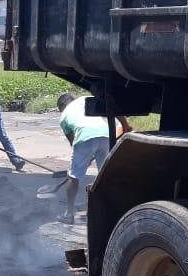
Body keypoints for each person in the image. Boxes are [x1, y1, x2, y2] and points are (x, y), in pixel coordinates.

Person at [56, 93, 132, 223]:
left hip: (84, 138)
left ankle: (68, 214)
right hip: (105, 135)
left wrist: (84, 158)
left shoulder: (63, 116)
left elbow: (73, 142)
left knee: (74, 176)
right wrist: (125, 125)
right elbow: (111, 107)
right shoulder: (85, 99)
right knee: (104, 175)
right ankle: (109, 212)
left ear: (62, 107)